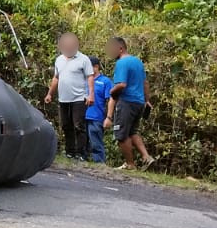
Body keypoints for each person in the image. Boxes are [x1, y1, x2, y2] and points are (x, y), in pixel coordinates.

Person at [105, 37, 155, 170]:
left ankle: (130, 164)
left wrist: (111, 91)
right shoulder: (137, 61)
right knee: (133, 131)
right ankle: (146, 157)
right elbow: (145, 83)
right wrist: (147, 100)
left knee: (121, 134)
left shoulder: (122, 63)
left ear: (120, 48)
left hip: (127, 102)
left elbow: (121, 84)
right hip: (139, 102)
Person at [44, 32, 94, 161]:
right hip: (63, 98)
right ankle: (70, 151)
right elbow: (56, 78)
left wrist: (90, 95)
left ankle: (81, 153)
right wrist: (50, 93)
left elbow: (90, 77)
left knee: (79, 125)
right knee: (66, 125)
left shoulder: (83, 59)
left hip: (79, 98)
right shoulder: (59, 60)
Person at [85, 56, 113, 163]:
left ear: (96, 67)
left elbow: (111, 100)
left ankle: (100, 164)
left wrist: (108, 117)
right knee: (82, 144)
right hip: (82, 116)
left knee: (96, 143)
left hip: (96, 117)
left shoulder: (105, 81)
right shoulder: (84, 80)